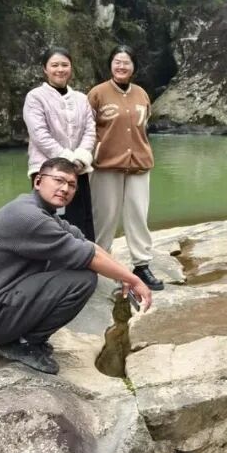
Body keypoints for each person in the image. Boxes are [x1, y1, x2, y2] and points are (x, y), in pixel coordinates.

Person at [0, 157, 154, 375]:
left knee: (71, 263)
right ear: (38, 181)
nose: (65, 189)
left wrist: (126, 275)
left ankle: (23, 336)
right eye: (58, 180)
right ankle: (24, 343)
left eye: (71, 185)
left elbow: (87, 245)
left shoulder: (39, 210)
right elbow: (89, 257)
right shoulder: (30, 217)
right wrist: (134, 280)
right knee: (82, 280)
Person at [87, 45, 164, 291]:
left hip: (139, 164)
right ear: (110, 65)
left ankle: (142, 264)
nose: (121, 66)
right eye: (117, 62)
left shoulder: (141, 94)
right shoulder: (97, 94)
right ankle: (100, 263)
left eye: (126, 62)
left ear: (134, 67)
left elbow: (144, 125)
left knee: (138, 215)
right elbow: (87, 128)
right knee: (104, 216)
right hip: (106, 165)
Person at [23, 47, 97, 240]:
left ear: (71, 68)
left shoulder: (81, 99)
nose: (60, 69)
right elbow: (39, 134)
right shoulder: (35, 97)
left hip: (78, 169)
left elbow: (90, 130)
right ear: (45, 69)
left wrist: (80, 157)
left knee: (81, 220)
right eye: (54, 65)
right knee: (51, 221)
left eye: (65, 65)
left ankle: (84, 257)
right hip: (48, 171)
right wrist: (67, 160)